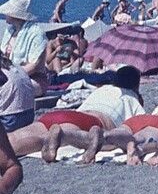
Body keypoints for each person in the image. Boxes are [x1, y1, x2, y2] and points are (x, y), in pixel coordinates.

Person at [10, 66, 144, 163]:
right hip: (88, 121)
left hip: (64, 114)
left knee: (15, 136)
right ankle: (58, 136)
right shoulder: (132, 98)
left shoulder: (102, 88)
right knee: (43, 140)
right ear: (136, 85)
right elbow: (139, 124)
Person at [0, 0, 48, 95]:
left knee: (7, 90)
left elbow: (34, 66)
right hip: (9, 74)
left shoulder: (36, 33)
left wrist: (12, 77)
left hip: (32, 78)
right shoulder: (10, 31)